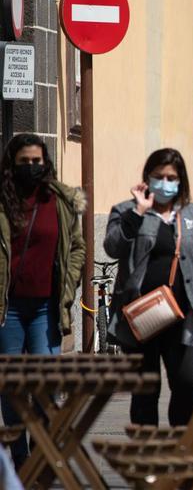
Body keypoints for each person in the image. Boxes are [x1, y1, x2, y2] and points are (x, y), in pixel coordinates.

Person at [105, 148, 193, 427]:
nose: (165, 182)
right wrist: (137, 213)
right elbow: (112, 246)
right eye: (159, 176)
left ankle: (181, 447)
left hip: (182, 317)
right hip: (141, 318)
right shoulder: (126, 211)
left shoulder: (192, 214)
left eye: (171, 177)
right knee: (145, 391)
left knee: (187, 385)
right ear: (147, 178)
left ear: (181, 181)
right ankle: (146, 456)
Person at [0, 133, 85, 468]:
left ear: (45, 162)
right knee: (10, 384)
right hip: (9, 310)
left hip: (46, 307)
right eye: (25, 162)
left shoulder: (60, 201)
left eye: (37, 161)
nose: (32, 167)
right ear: (12, 165)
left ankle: (41, 448)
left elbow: (77, 246)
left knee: (46, 383)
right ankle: (20, 452)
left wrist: (69, 282)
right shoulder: (2, 201)